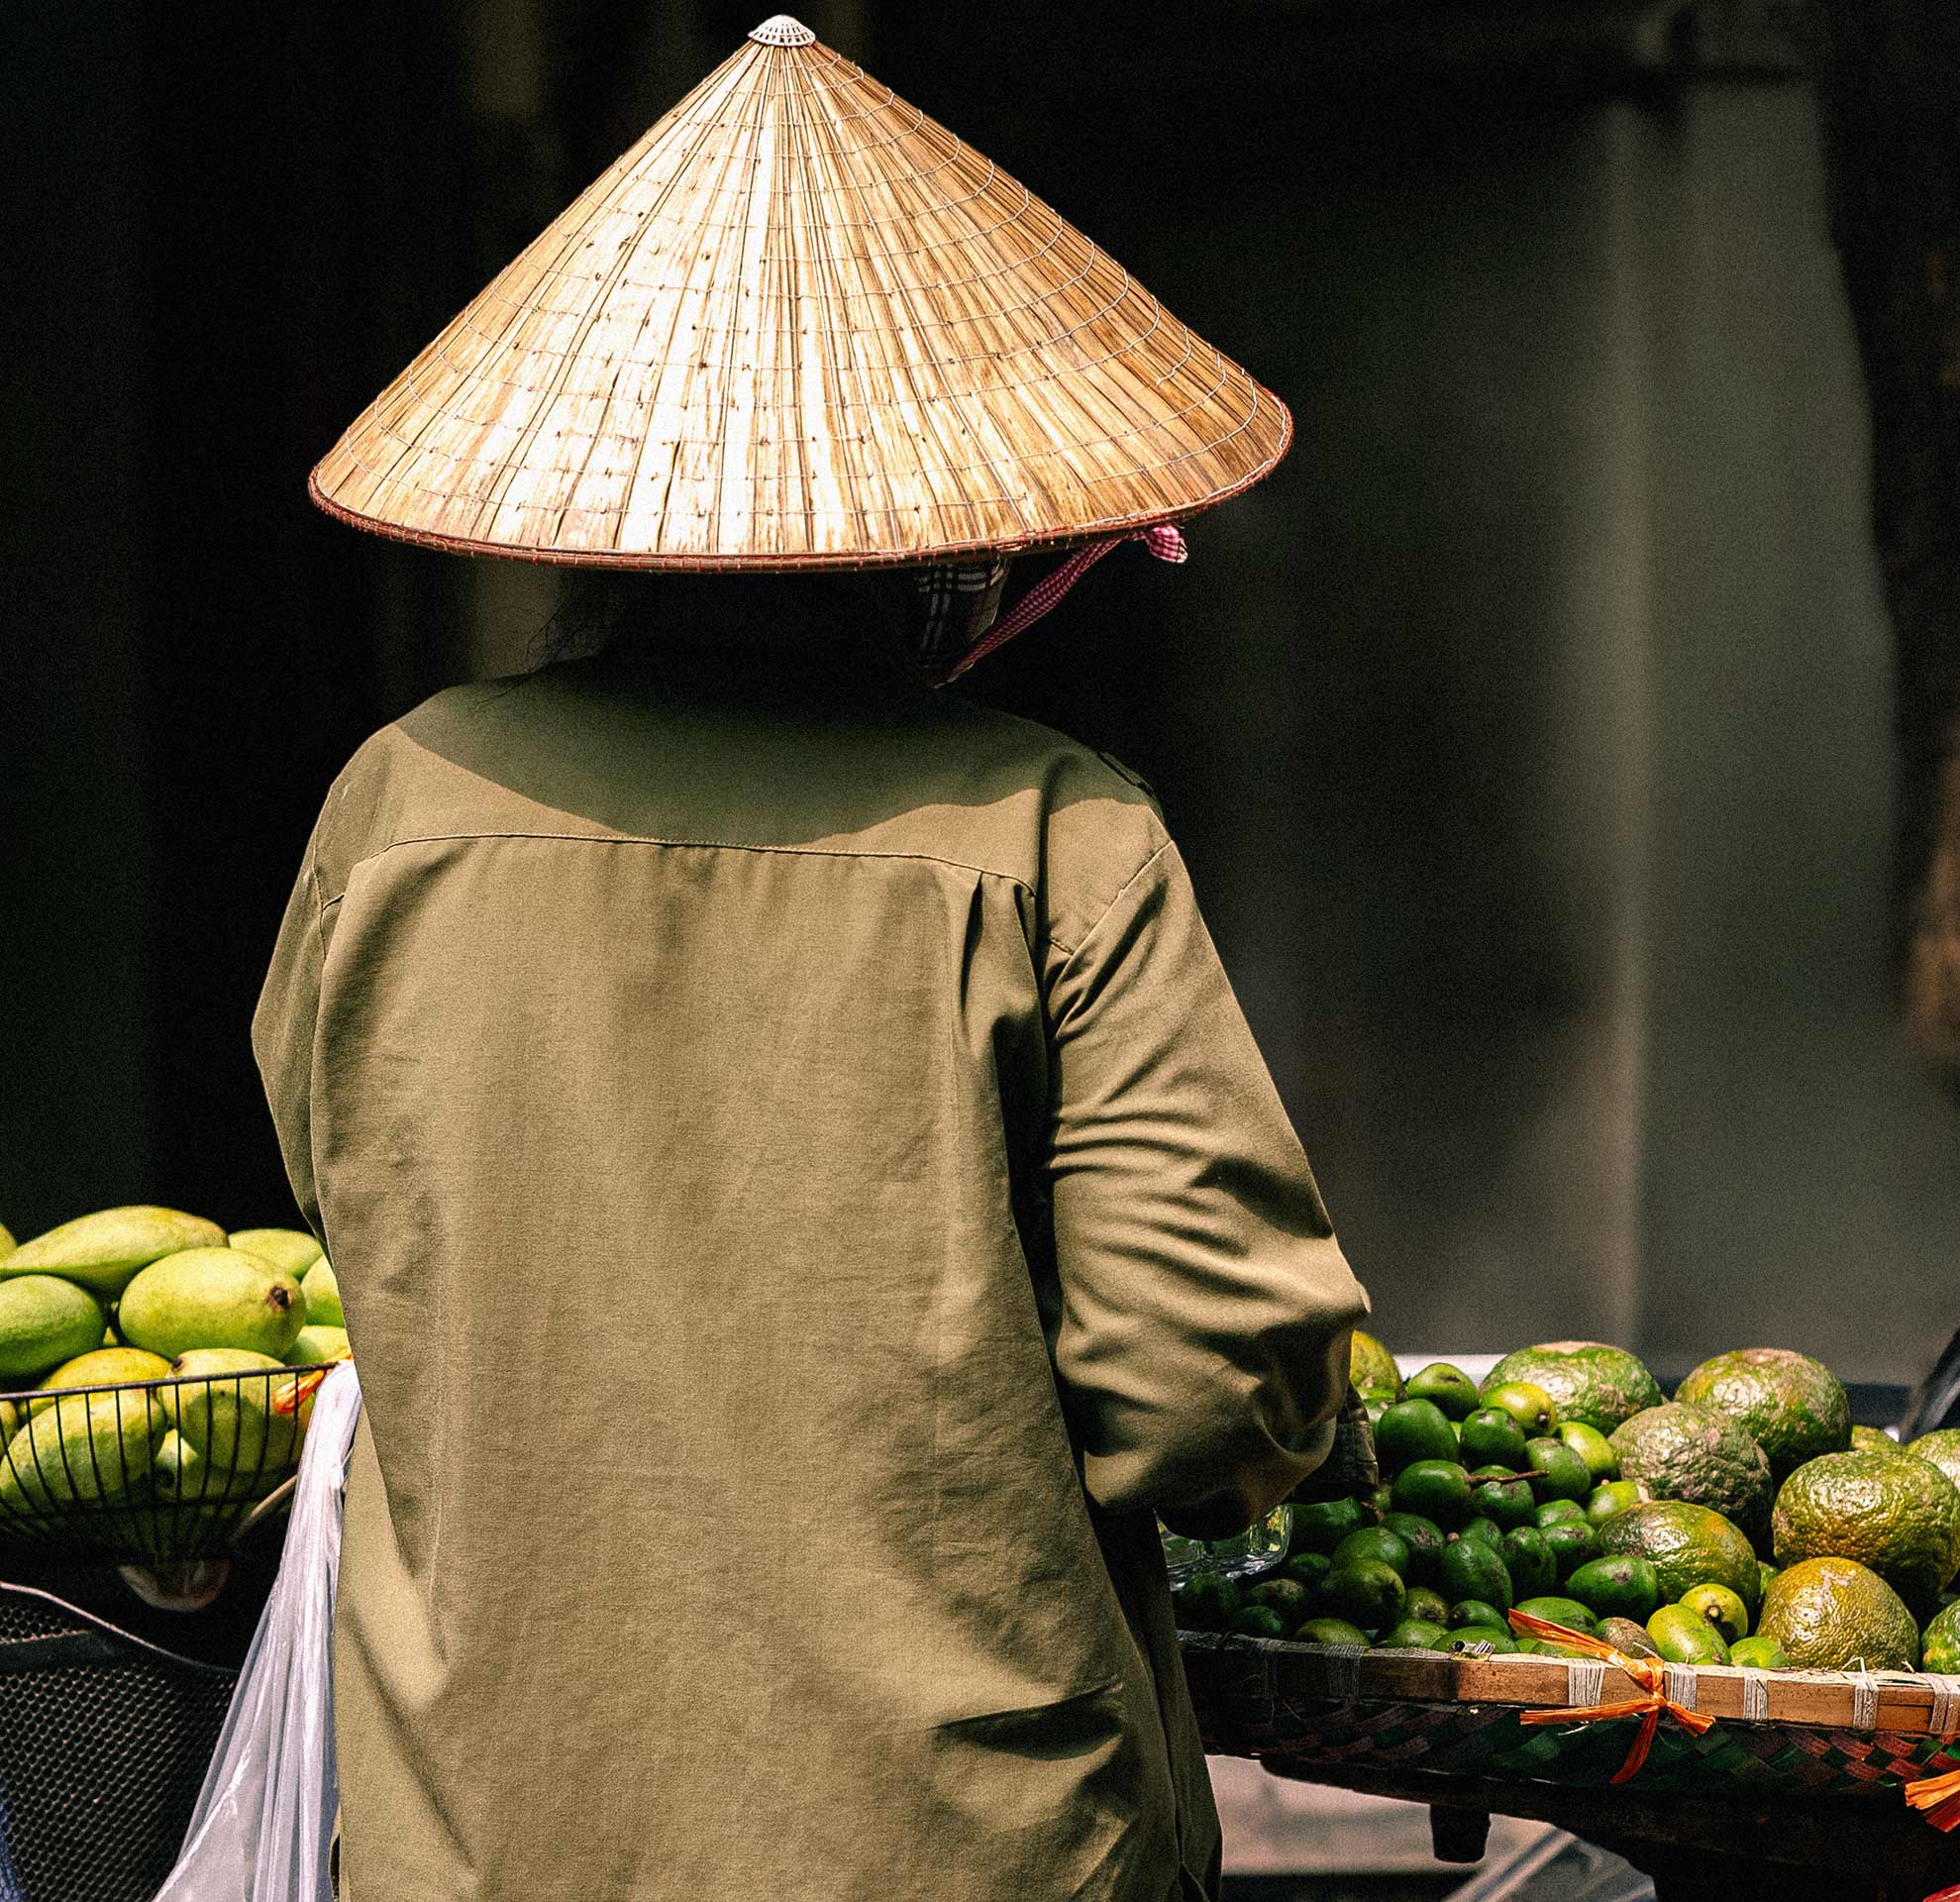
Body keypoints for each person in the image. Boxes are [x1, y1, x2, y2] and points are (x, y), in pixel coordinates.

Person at [256, 21, 1369, 1900]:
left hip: (492, 1829)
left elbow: (371, 1213)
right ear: (953, 555)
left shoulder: (399, 804)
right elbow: (1207, 1382)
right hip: (961, 1837)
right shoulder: (1053, 830)